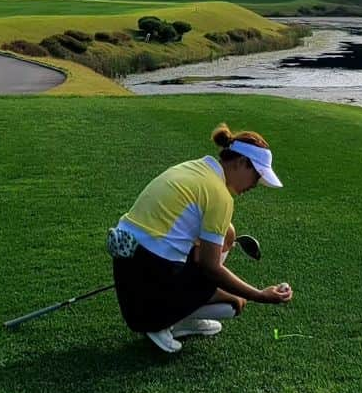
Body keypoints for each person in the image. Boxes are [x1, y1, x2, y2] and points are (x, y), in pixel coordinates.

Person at [108, 121, 293, 354]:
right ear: (241, 163)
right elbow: (210, 267)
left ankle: (180, 319)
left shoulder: (197, 168)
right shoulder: (220, 195)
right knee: (232, 304)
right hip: (146, 305)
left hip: (130, 273)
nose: (256, 185)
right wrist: (259, 295)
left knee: (229, 233)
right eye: (256, 176)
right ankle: (163, 324)